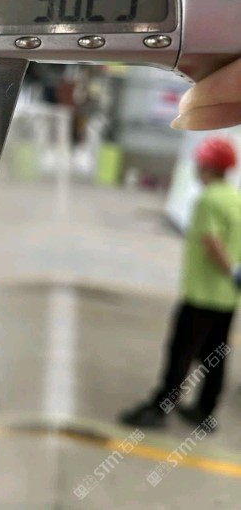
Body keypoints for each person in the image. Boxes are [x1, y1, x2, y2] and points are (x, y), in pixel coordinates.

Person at [120, 136, 241, 430]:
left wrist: (230, 270)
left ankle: (160, 408)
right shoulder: (235, 199)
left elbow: (211, 241)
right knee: (214, 355)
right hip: (227, 297)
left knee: (181, 351)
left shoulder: (208, 200)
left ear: (208, 167)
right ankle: (205, 411)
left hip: (202, 294)